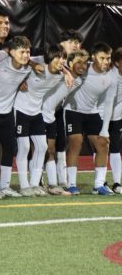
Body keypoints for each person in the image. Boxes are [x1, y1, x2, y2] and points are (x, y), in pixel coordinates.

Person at [0, 36, 32, 196]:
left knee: (9, 148)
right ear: (12, 52)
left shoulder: (28, 68)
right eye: (22, 52)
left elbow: (43, 62)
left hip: (7, 113)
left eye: (28, 52)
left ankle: (5, 186)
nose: (25, 55)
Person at [14, 45, 68, 197]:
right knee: (24, 147)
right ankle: (24, 186)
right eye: (58, 57)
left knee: (42, 147)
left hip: (37, 112)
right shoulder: (37, 65)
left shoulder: (61, 74)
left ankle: (34, 184)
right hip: (21, 109)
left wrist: (67, 73)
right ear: (50, 57)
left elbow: (67, 69)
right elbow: (21, 60)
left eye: (63, 57)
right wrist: (21, 80)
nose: (61, 60)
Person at [64, 42, 115, 195]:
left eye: (108, 58)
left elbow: (108, 103)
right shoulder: (84, 68)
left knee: (103, 144)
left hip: (92, 112)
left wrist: (105, 129)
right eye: (102, 58)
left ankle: (99, 185)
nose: (105, 62)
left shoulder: (111, 76)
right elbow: (66, 67)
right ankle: (71, 184)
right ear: (94, 57)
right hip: (72, 110)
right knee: (76, 141)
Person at [42, 50, 88, 194]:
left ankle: (54, 183)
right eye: (78, 62)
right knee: (38, 149)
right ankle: (38, 183)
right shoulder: (59, 75)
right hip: (38, 112)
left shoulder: (79, 80)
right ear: (69, 64)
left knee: (52, 148)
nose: (83, 66)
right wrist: (65, 71)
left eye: (85, 63)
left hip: (53, 114)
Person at [105, 47, 122, 194]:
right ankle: (101, 182)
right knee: (101, 148)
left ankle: (117, 183)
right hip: (100, 115)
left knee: (115, 148)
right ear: (117, 63)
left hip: (116, 117)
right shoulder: (110, 76)